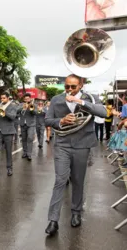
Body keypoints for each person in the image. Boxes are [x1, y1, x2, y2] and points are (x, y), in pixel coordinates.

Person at [44, 74, 107, 236]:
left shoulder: (91, 98)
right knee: (60, 180)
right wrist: (61, 121)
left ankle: (76, 212)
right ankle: (53, 220)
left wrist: (81, 102)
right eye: (67, 86)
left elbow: (104, 112)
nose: (69, 90)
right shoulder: (57, 99)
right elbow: (47, 120)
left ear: (81, 85)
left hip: (82, 145)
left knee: (78, 180)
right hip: (63, 144)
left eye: (73, 87)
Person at [19, 93, 36, 161]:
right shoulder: (21, 104)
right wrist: (22, 108)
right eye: (25, 99)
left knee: (30, 138)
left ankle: (29, 154)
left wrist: (30, 107)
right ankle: (25, 152)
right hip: (23, 124)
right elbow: (16, 111)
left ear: (30, 99)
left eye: (28, 99)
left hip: (31, 124)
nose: (26, 100)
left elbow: (35, 113)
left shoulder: (33, 105)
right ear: (24, 99)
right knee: (24, 139)